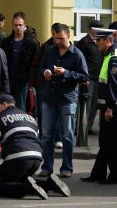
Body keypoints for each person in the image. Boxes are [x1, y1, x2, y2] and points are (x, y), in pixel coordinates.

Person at [0, 94, 71, 199]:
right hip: (36, 158)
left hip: (17, 158)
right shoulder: (30, 117)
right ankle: (49, 184)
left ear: (4, 104)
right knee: (18, 181)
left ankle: (26, 189)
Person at [38, 24, 89, 178]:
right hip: (49, 98)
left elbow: (84, 77)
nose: (57, 41)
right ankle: (47, 167)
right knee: (47, 135)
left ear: (68, 36)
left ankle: (67, 168)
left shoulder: (77, 54)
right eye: (55, 37)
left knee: (67, 135)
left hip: (67, 100)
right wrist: (45, 72)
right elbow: (41, 69)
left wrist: (66, 73)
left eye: (61, 38)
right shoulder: (50, 51)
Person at [81, 27, 117, 184]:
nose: (96, 44)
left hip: (112, 108)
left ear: (107, 40)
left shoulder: (113, 57)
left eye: (98, 41)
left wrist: (109, 108)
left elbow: (114, 86)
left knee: (113, 143)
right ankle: (98, 174)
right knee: (105, 142)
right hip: (108, 107)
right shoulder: (109, 54)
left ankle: (115, 176)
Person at [0, 12, 39, 111]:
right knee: (6, 109)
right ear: (12, 26)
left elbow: (35, 64)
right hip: (7, 82)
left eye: (20, 25)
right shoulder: (5, 43)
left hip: (23, 83)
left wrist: (31, 82)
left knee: (21, 109)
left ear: (24, 26)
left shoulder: (32, 44)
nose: (18, 27)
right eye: (16, 25)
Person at [76, 20, 103, 136]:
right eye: (99, 29)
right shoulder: (84, 42)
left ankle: (89, 127)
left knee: (94, 105)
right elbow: (79, 61)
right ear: (92, 29)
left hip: (99, 78)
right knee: (86, 103)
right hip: (88, 78)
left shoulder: (100, 41)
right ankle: (81, 127)